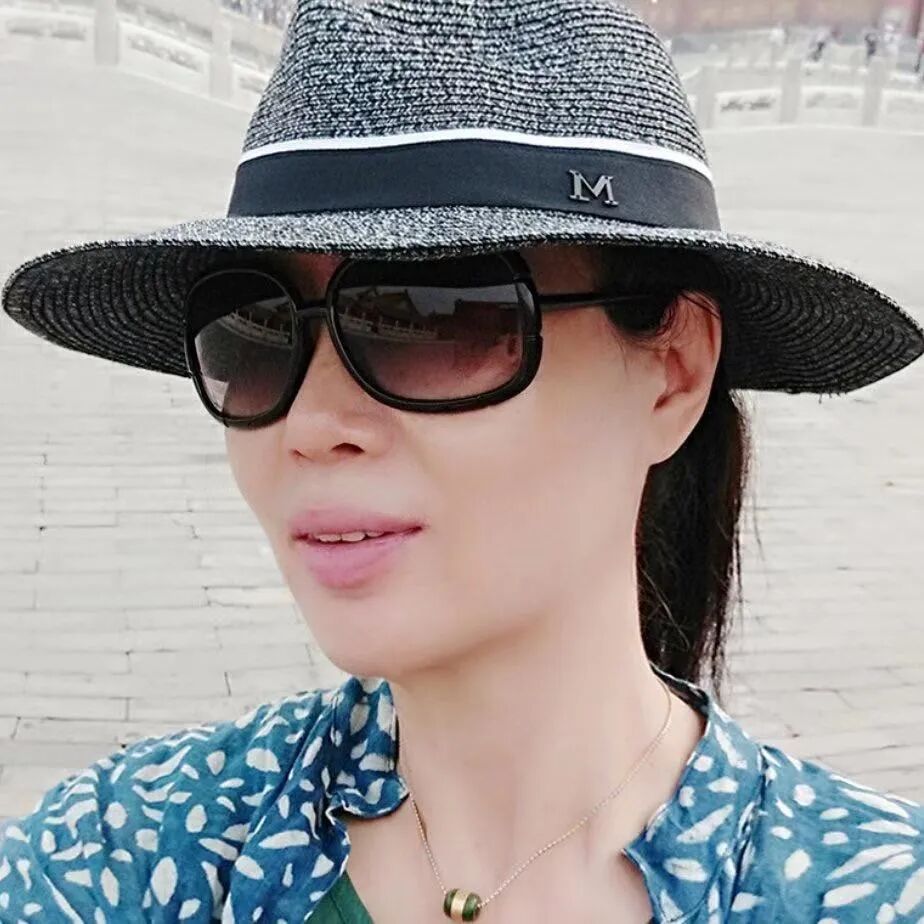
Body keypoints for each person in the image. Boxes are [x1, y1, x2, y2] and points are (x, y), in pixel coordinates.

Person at [1, 0, 923, 921]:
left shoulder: (866, 892)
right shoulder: (132, 851)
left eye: (431, 316)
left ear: (672, 374)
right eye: (253, 329)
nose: (312, 423)